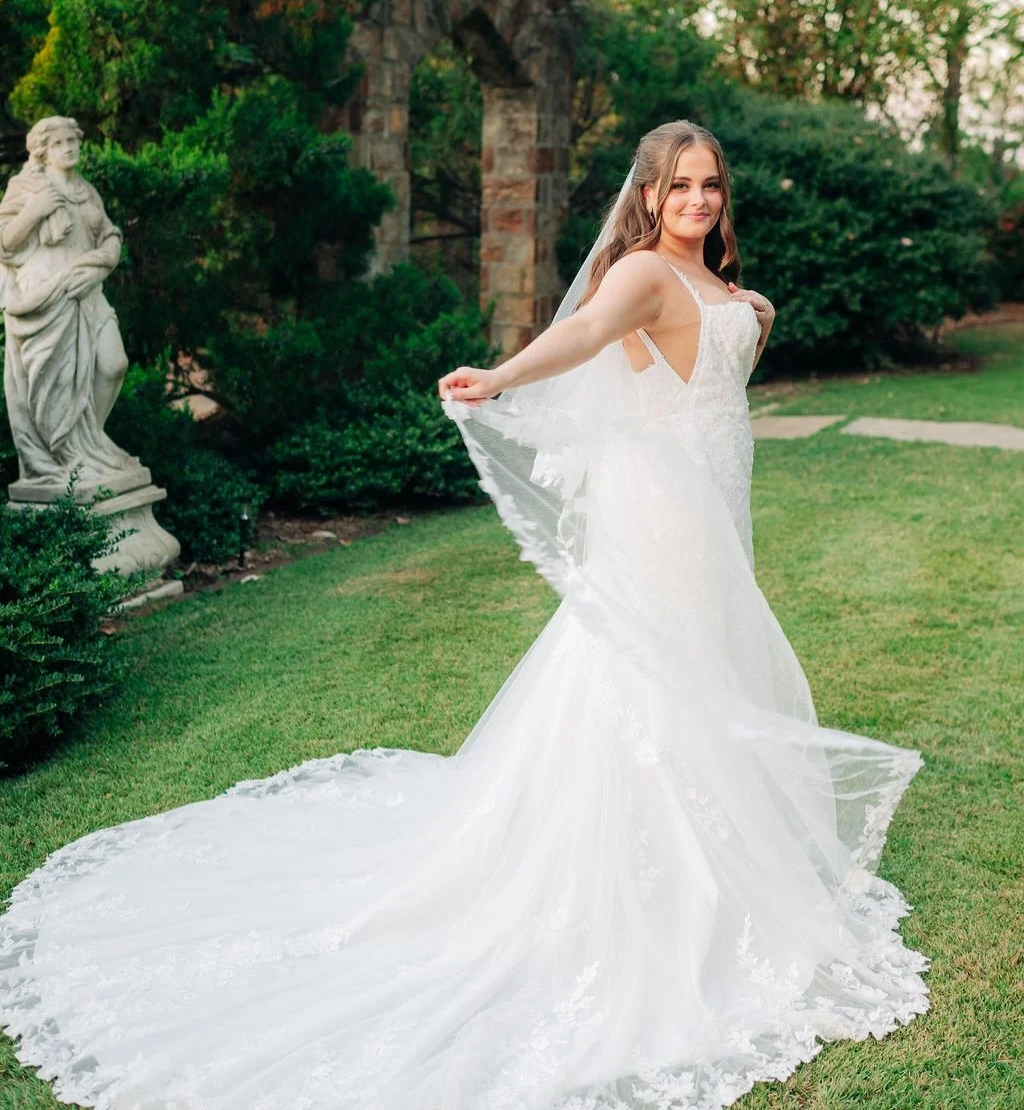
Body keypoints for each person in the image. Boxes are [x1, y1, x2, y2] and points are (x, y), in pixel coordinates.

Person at [0, 121, 929, 1110]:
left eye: (710, 187)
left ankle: (717, 863)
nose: (697, 201)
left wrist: (746, 308)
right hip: (660, 512)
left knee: (699, 665)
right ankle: (649, 879)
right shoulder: (646, 276)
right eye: (680, 188)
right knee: (653, 675)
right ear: (648, 197)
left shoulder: (724, 289)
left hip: (705, 504)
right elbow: (580, 335)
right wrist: (498, 377)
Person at [0, 115, 137, 494]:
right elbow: (5, 243)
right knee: (55, 387)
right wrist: (37, 209)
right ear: (43, 151)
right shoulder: (24, 187)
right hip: (46, 300)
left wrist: (103, 264)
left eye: (73, 141)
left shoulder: (86, 190)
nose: (70, 148)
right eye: (59, 143)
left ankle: (91, 444)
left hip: (88, 290)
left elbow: (109, 234)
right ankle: (66, 455)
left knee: (113, 364)